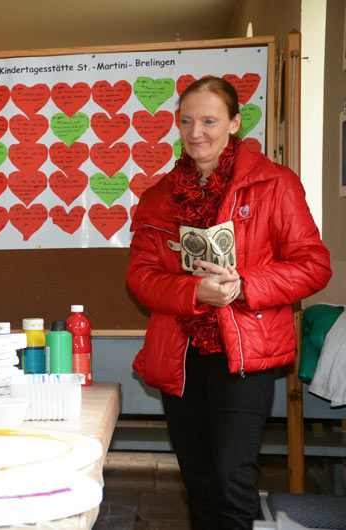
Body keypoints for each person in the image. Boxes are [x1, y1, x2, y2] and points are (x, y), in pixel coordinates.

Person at [126, 77, 331, 529]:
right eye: (185, 121)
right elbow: (140, 278)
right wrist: (192, 291)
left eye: (209, 120)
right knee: (198, 481)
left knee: (231, 480)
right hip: (180, 355)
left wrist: (245, 284)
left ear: (235, 123)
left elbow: (314, 265)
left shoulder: (274, 184)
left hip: (245, 354)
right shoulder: (158, 198)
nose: (195, 132)